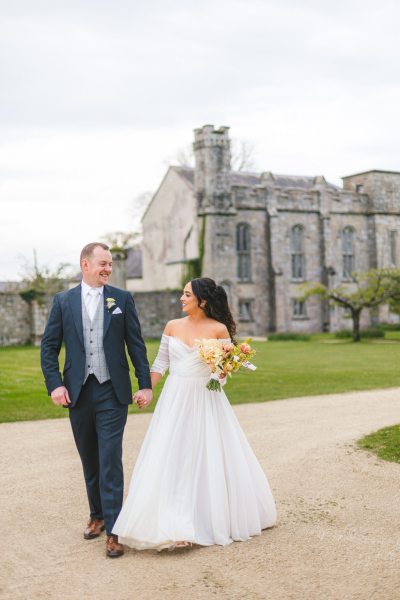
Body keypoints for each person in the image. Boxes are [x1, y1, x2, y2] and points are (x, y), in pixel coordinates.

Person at [112, 277, 277, 550]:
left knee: (207, 453)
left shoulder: (218, 329)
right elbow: (161, 363)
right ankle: (175, 522)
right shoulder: (172, 326)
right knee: (173, 454)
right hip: (175, 399)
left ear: (202, 300)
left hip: (206, 399)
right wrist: (146, 390)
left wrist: (220, 372)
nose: (181, 298)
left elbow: (223, 373)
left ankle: (206, 519)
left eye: (186, 294)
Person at [41, 242, 152, 558]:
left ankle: (115, 531)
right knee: (89, 458)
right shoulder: (63, 302)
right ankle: (97, 515)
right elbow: (49, 347)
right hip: (77, 392)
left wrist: (144, 385)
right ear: (84, 264)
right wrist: (55, 385)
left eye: (110, 264)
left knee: (110, 460)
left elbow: (136, 345)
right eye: (102, 263)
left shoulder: (122, 299)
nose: (107, 269)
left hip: (112, 391)